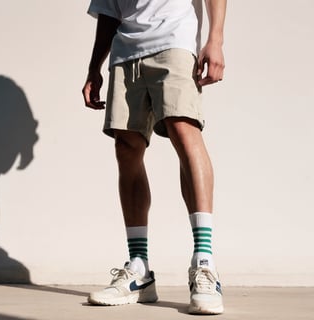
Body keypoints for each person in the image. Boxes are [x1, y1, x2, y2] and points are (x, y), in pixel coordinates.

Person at [82, 0, 226, 315]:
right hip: (124, 51)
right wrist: (95, 66)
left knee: (184, 132)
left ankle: (204, 264)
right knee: (126, 148)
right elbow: (109, 10)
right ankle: (139, 271)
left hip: (174, 39)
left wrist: (214, 39)